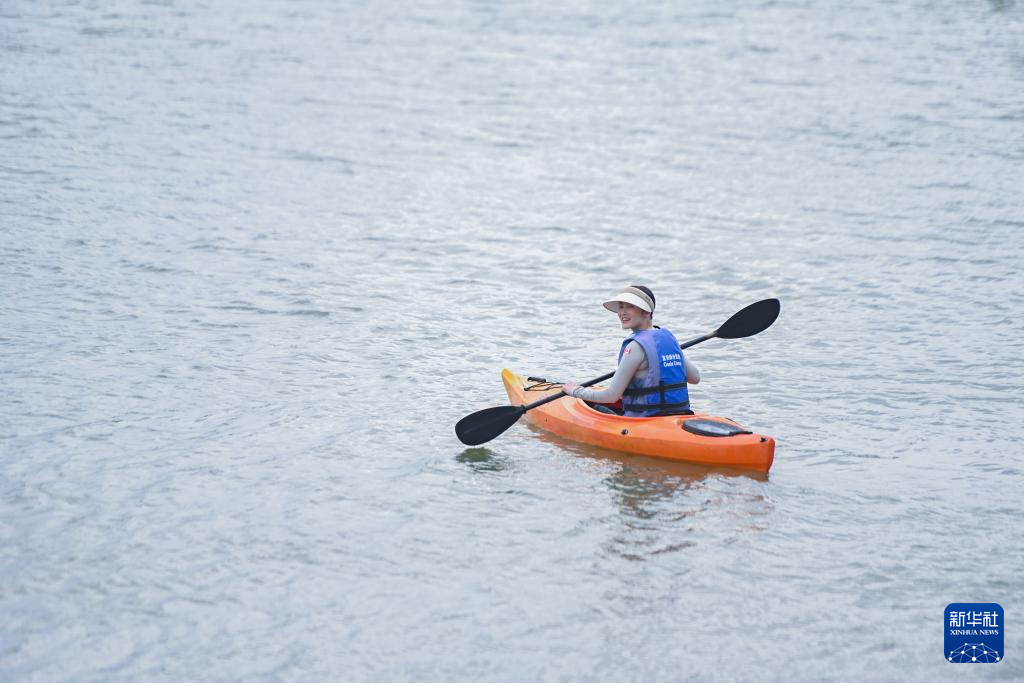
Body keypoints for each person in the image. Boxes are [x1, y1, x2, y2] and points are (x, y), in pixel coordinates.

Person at [561, 285, 700, 417]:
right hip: (679, 415)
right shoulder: (669, 340)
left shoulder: (635, 346)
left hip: (645, 419)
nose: (622, 312)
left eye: (630, 306)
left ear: (646, 312)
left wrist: (576, 391)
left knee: (587, 404)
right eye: (621, 307)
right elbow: (695, 378)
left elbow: (611, 396)